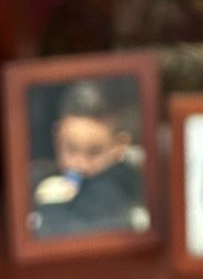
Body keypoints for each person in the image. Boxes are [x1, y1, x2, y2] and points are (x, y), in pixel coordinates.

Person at [30, 79, 147, 239]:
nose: (79, 165)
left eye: (94, 152)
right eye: (70, 148)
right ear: (57, 136)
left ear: (120, 145)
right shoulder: (35, 181)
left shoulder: (123, 185)